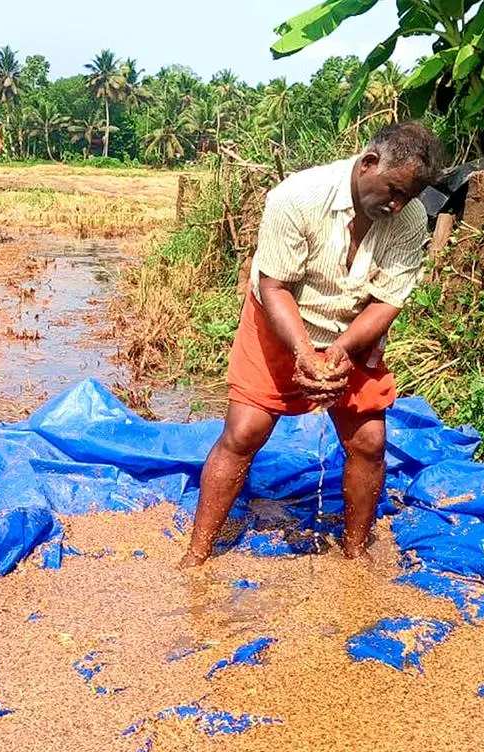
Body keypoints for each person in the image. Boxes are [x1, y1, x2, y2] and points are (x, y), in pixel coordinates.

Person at [178, 122, 445, 568]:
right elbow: (275, 285)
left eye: (409, 197)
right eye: (393, 191)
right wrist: (304, 352)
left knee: (370, 441)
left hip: (354, 327)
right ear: (368, 164)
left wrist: (341, 350)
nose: (397, 205)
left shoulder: (409, 217)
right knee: (244, 432)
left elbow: (386, 301)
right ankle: (197, 554)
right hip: (280, 321)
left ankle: (356, 552)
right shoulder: (297, 197)